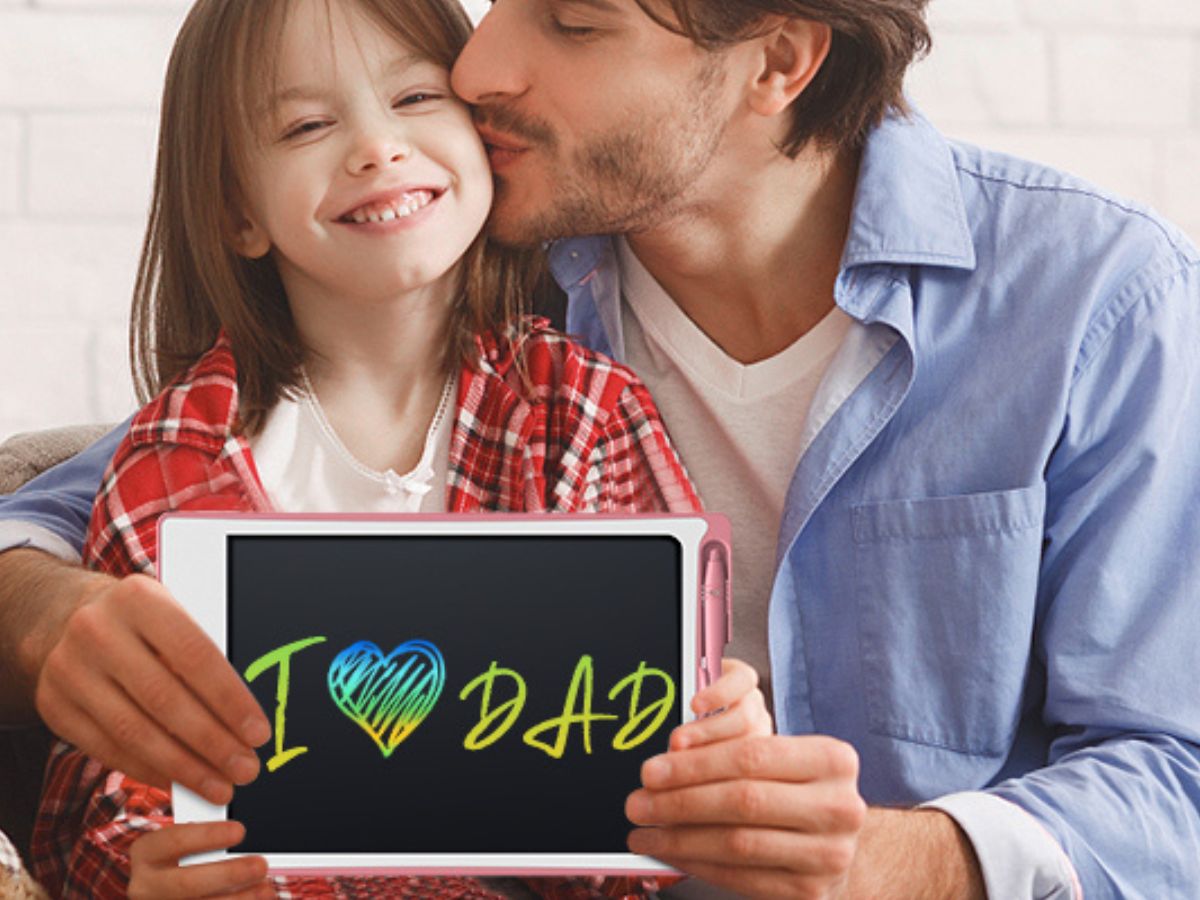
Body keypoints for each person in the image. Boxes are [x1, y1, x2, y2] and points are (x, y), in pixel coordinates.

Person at [2, 0, 1198, 897]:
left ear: (777, 60)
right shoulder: (474, 258)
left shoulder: (1095, 299)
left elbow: (1176, 778)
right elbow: (114, 497)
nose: (480, 65)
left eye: (571, 22)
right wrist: (47, 610)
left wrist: (900, 861)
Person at [14, 0, 777, 897]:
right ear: (237, 213)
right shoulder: (172, 463)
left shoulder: (583, 412)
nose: (376, 147)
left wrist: (710, 746)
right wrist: (149, 875)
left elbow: (653, 757)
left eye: (416, 97)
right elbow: (113, 788)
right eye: (306, 124)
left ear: (487, 141)